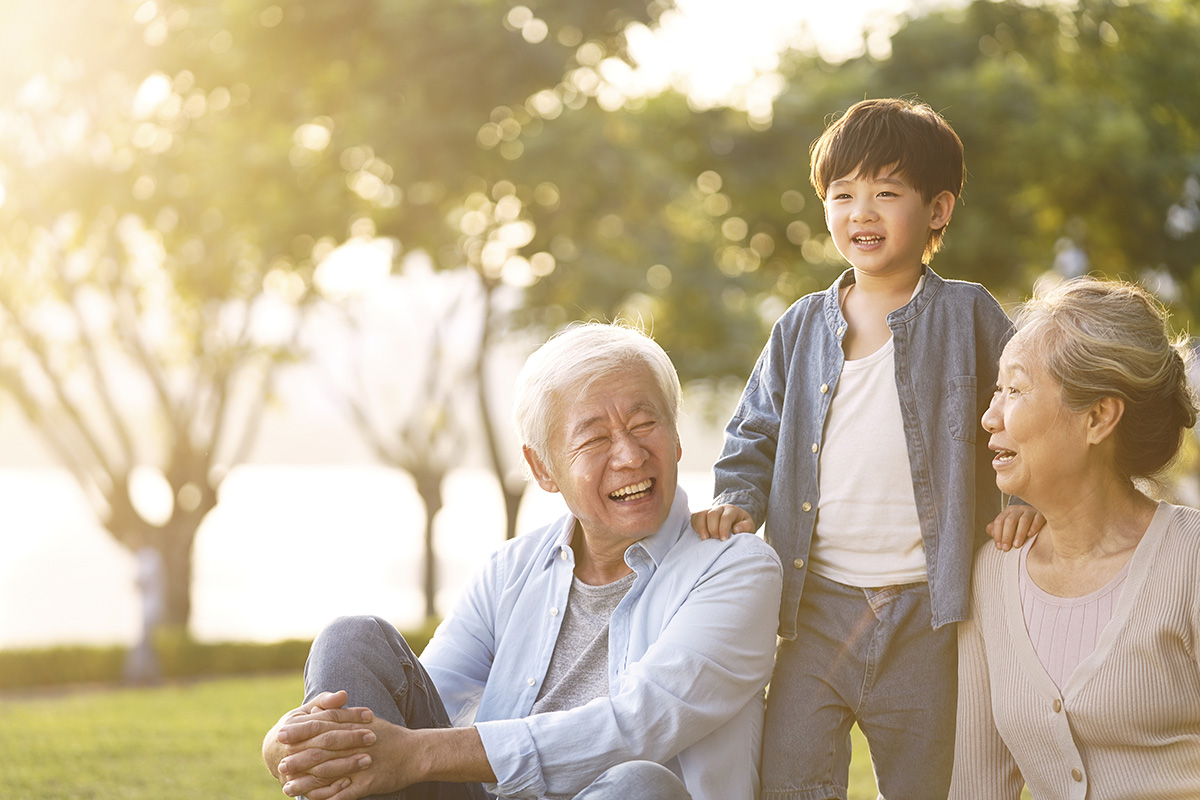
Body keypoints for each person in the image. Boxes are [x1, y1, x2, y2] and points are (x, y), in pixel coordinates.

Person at [262, 323, 784, 800]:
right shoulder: (509, 570)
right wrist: (289, 746)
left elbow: (637, 725)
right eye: (596, 438)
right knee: (351, 638)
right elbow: (419, 699)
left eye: (645, 424)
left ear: (674, 439)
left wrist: (416, 755)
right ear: (543, 467)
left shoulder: (736, 568)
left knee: (639, 783)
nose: (629, 455)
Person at [691, 97, 1040, 798]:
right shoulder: (798, 327)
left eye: (887, 193)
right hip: (815, 608)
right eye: (843, 194)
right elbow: (754, 430)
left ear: (937, 209)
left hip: (931, 611)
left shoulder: (969, 314)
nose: (863, 212)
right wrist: (737, 499)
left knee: (928, 784)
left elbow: (1022, 415)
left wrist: (1023, 500)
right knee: (789, 777)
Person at [950, 277, 1200, 798]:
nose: (989, 416)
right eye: (998, 391)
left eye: (1016, 390)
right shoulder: (993, 573)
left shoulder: (1190, 559)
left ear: (1098, 417)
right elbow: (976, 787)